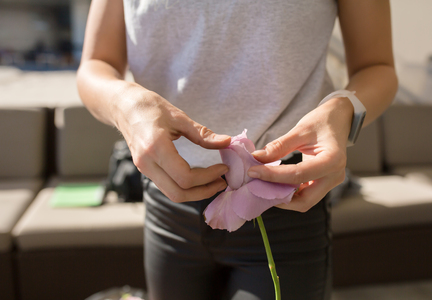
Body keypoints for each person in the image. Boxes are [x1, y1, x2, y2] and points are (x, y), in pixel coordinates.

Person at [77, 1, 398, 299]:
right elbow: (95, 65)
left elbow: (378, 66)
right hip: (166, 202)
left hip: (285, 204)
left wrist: (343, 110)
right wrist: (126, 105)